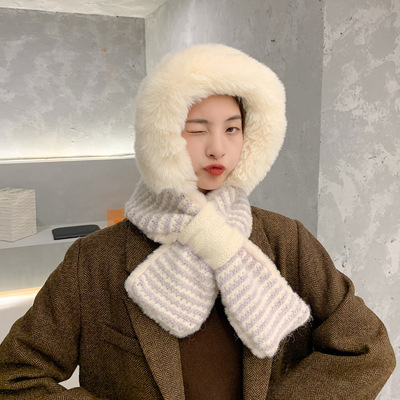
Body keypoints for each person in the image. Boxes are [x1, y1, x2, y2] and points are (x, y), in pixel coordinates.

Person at [0, 44, 395, 399]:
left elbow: (367, 348)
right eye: (197, 130)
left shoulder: (284, 240)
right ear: (161, 136)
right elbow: (15, 376)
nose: (217, 148)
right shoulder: (95, 259)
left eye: (232, 129)